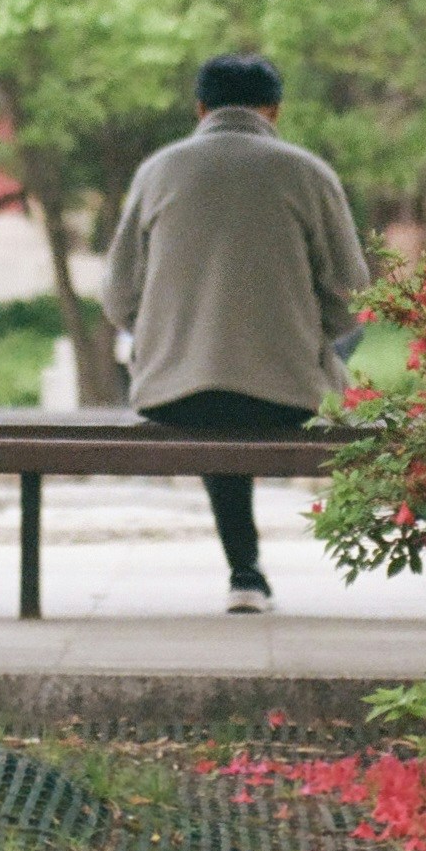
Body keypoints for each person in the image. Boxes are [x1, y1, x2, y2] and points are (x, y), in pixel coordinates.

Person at [103, 52, 370, 614]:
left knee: (214, 390)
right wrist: (307, 335)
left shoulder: (159, 172)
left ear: (200, 109)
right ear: (274, 111)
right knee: (302, 360)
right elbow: (354, 297)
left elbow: (116, 296)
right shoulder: (307, 172)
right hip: (286, 397)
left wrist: (170, 337)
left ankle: (244, 571)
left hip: (177, 397)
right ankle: (247, 572)